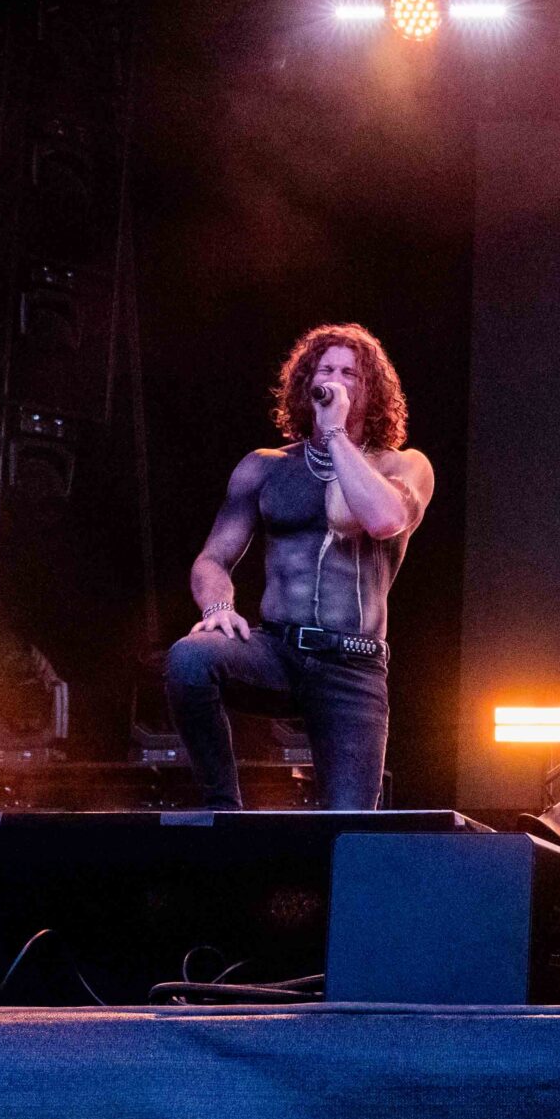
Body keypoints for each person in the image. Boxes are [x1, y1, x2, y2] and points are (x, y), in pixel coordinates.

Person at [163, 324, 432, 810]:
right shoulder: (265, 466)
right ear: (307, 383)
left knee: (347, 829)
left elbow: (383, 520)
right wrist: (218, 606)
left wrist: (336, 433)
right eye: (326, 370)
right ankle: (223, 810)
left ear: (370, 391)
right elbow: (212, 558)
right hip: (277, 650)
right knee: (190, 659)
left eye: (350, 373)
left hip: (352, 667)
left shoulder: (403, 466)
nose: (336, 381)